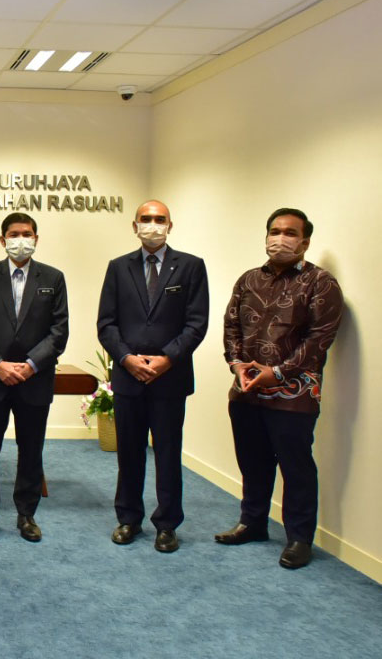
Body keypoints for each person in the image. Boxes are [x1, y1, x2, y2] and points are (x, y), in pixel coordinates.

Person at [216, 208, 343, 569]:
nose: (280, 238)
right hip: (246, 391)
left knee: (296, 467)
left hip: (294, 396)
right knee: (252, 462)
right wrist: (237, 364)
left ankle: (300, 538)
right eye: (275, 231)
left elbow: (319, 338)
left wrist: (279, 372)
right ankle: (253, 523)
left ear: (305, 242)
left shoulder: (321, 283)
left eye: (290, 233)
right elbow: (231, 325)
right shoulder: (248, 280)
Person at [96, 200, 209, 553]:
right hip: (128, 377)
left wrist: (167, 359)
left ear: (170, 226)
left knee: (168, 455)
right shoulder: (118, 267)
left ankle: (167, 524)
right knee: (129, 454)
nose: (153, 225)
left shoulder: (190, 266)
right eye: (146, 219)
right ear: (134, 226)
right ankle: (128, 518)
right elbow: (106, 323)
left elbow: (196, 323)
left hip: (170, 379)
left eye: (160, 219)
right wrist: (127, 359)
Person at [0, 212, 68, 542]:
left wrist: (31, 364)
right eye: (13, 234)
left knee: (31, 451)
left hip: (34, 380)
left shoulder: (53, 278)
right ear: (2, 239)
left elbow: (59, 330)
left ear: (36, 239)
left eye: (27, 234)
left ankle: (27, 514)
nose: (20, 240)